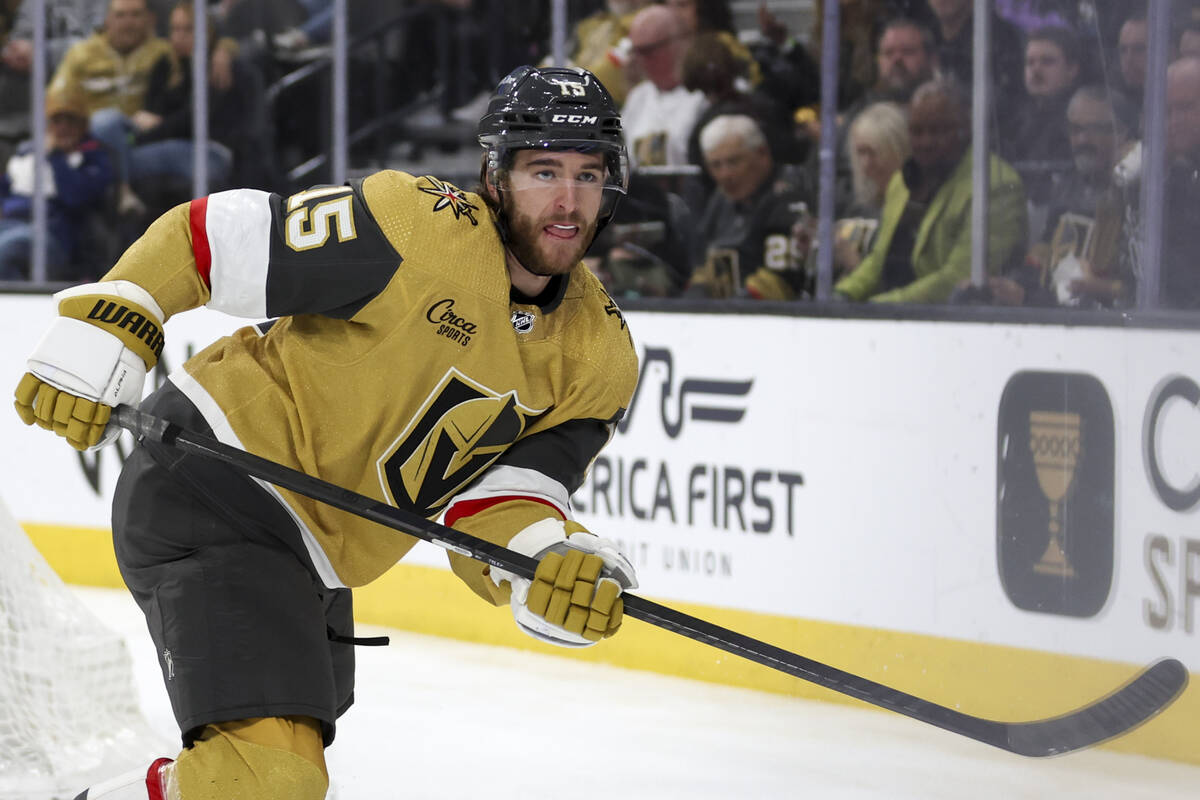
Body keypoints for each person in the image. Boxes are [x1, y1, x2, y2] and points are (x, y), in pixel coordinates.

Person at [13, 64, 639, 800]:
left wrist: (546, 561)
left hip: (313, 560)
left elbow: (499, 505)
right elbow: (213, 238)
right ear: (494, 174)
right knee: (273, 781)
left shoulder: (601, 356)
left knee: (254, 782)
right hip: (216, 489)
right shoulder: (416, 224)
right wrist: (116, 315)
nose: (567, 202)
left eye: (587, 175)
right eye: (543, 171)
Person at [835, 78, 1026, 304]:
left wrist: (878, 307)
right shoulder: (901, 182)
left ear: (966, 129)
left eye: (938, 131)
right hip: (889, 316)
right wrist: (841, 296)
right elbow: (879, 260)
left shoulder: (994, 186)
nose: (926, 142)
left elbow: (958, 279)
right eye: (917, 131)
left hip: (949, 324)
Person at [49, 0, 236, 215]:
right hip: (93, 135)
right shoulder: (81, 54)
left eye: (135, 15)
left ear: (150, 20)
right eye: (121, 15)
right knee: (105, 121)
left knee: (114, 132)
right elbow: (56, 100)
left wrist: (225, 49)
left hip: (134, 136)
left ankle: (119, 182)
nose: (128, 23)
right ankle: (123, 189)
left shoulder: (162, 52)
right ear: (107, 20)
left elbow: (211, 41)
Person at [978, 84, 1138, 308]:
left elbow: (1129, 292)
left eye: (1094, 130)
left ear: (1122, 133)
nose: (1082, 140)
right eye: (1075, 130)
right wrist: (1012, 286)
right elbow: (1041, 259)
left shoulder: (1139, 198)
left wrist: (1027, 299)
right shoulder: (1067, 187)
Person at [687, 113, 814, 300]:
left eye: (734, 161)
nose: (725, 175)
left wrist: (727, 313)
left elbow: (781, 282)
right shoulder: (721, 198)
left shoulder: (790, 193)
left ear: (762, 154)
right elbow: (702, 267)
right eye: (715, 165)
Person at [0, 85, 113, 281]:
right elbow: (5, 189)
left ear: (84, 125)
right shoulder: (26, 154)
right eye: (57, 121)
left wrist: (57, 156)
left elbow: (75, 198)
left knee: (6, 250)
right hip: (11, 224)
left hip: (53, 236)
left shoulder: (94, 159)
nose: (63, 128)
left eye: (71, 120)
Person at [998, 26, 1083, 205]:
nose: (1036, 70)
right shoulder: (1013, 121)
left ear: (1072, 69)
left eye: (1047, 62)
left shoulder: (1083, 121)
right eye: (1030, 62)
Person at [621, 3, 707, 167]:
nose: (639, 60)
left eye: (648, 51)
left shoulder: (708, 92)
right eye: (635, 52)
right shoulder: (639, 97)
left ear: (680, 42)